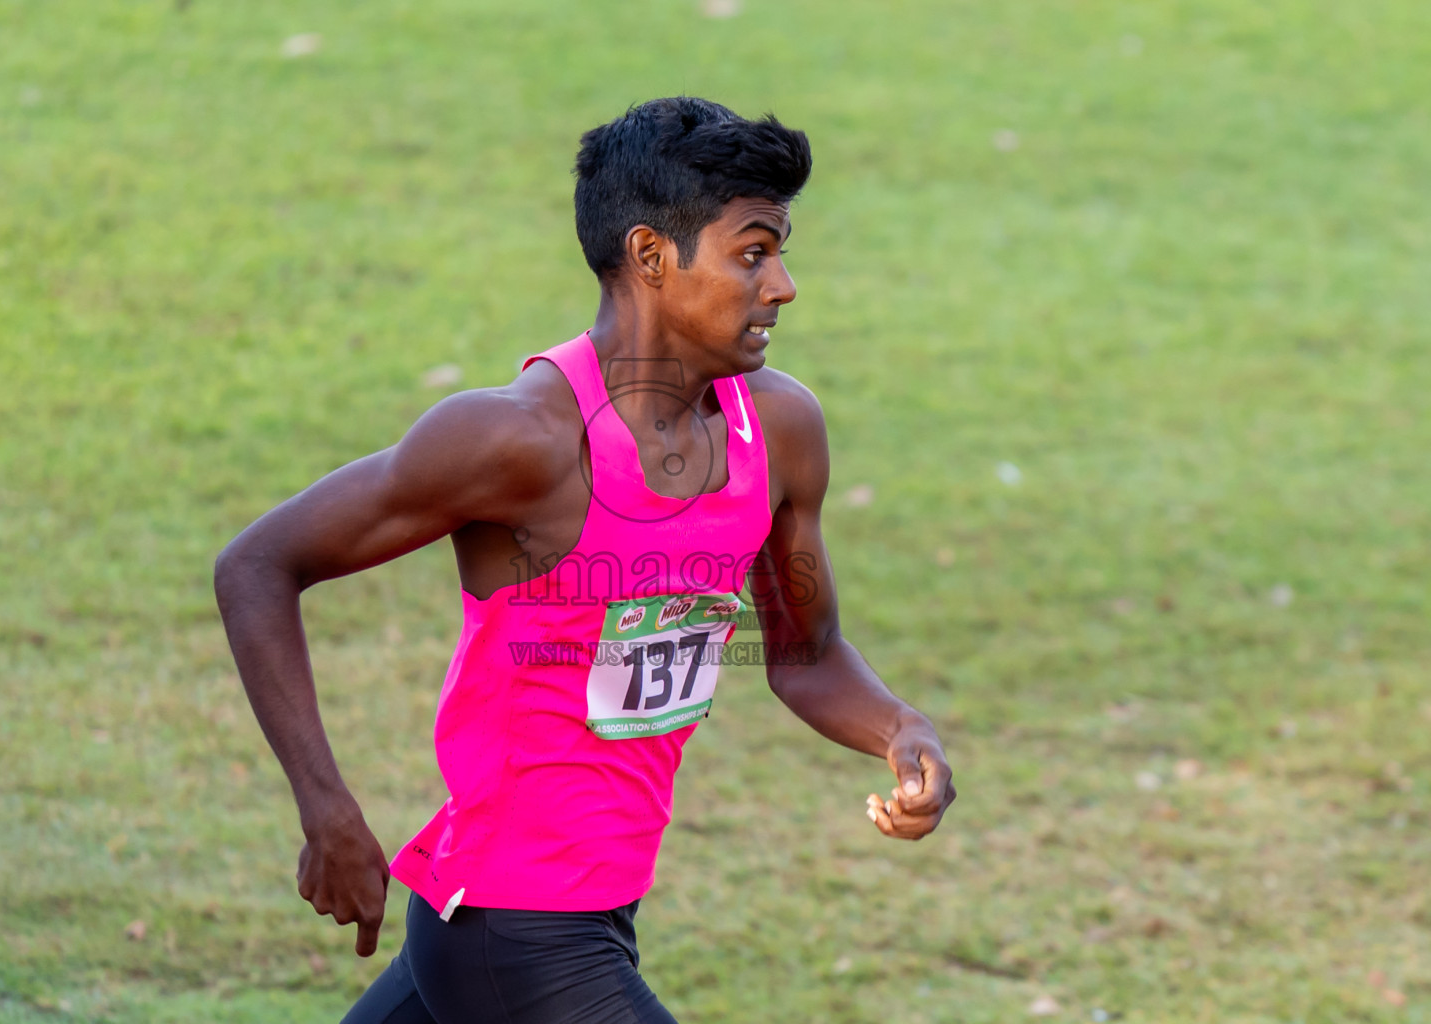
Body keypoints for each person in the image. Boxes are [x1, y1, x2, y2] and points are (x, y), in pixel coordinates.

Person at [214, 96, 956, 1024]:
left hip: (586, 911)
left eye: (782, 251)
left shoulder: (780, 429)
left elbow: (804, 655)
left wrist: (900, 730)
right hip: (512, 929)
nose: (783, 286)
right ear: (652, 257)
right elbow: (257, 567)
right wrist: (326, 811)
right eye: (754, 251)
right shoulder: (519, 441)